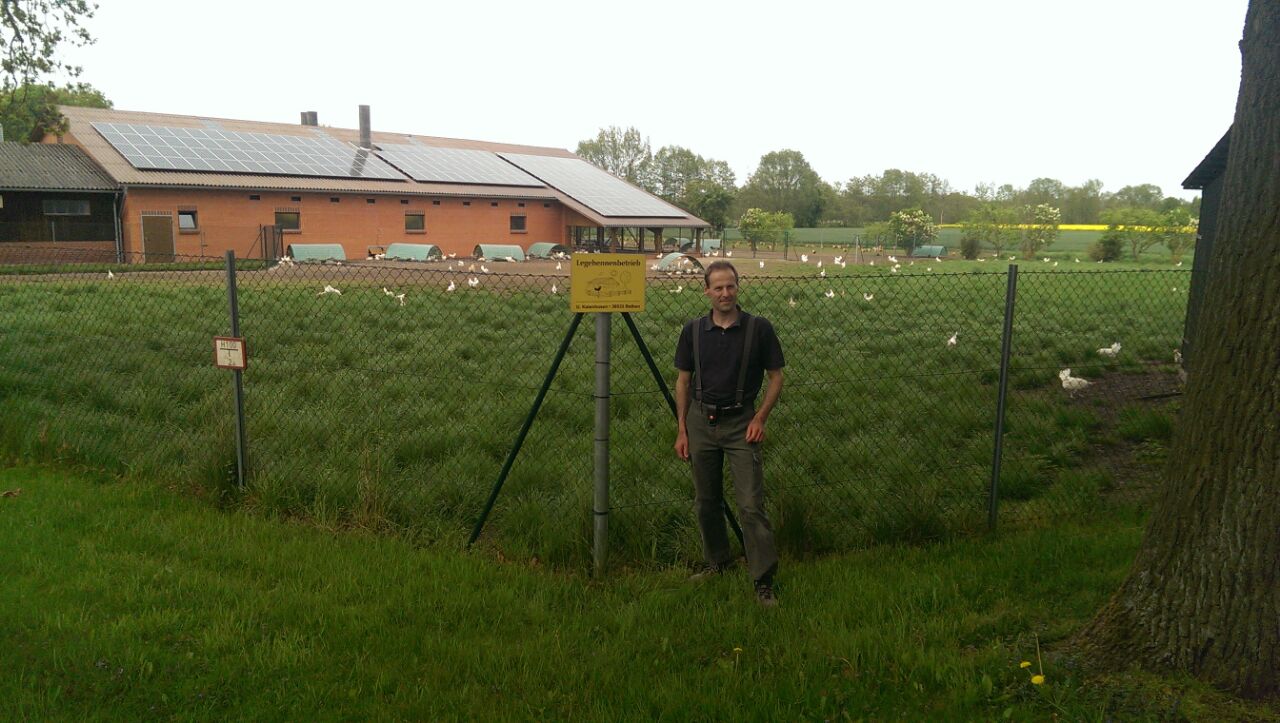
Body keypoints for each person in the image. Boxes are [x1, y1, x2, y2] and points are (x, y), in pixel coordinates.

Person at [674, 260, 785, 607]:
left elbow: (776, 377)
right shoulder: (693, 331)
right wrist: (682, 429)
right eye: (718, 287)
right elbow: (683, 381)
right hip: (700, 422)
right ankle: (717, 562)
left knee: (751, 505)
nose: (725, 293)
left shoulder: (758, 329)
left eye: (731, 286)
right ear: (706, 291)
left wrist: (760, 418)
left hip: (741, 424)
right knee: (706, 501)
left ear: (738, 288)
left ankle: (763, 580)